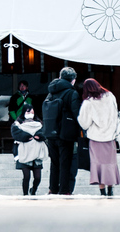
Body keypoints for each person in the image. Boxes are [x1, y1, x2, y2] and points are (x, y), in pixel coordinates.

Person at [78, 78, 120, 197]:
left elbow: (84, 123)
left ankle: (102, 192)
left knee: (98, 165)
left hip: (96, 138)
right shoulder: (110, 96)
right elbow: (115, 114)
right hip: (110, 137)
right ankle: (110, 189)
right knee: (110, 164)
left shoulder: (88, 102)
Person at [45, 67, 81, 195]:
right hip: (66, 133)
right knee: (65, 163)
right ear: (73, 80)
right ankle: (64, 190)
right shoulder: (72, 93)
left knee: (54, 163)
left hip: (50, 133)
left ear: (60, 77)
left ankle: (52, 188)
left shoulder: (51, 92)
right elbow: (77, 113)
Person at [11, 104, 49, 195]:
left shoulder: (39, 123)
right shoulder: (18, 124)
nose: (30, 113)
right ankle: (25, 194)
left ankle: (33, 190)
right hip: (24, 152)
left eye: (32, 111)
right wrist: (27, 137)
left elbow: (44, 132)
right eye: (28, 111)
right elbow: (16, 133)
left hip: (37, 153)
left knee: (37, 177)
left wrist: (39, 136)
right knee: (26, 176)